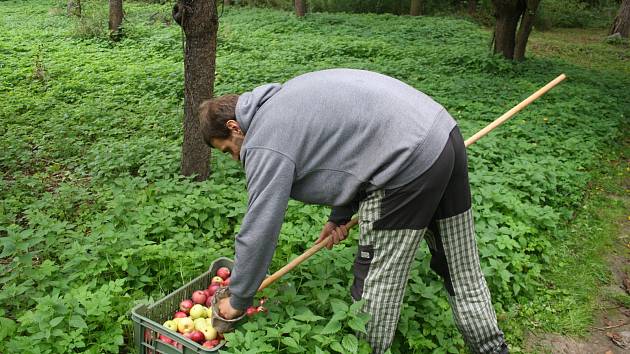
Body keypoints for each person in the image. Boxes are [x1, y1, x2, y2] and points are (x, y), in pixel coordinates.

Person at [197, 68, 508, 354]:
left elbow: (260, 227)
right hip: (441, 134)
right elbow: (349, 148)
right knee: (459, 264)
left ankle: (365, 349)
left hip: (404, 163)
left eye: (228, 150)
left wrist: (237, 300)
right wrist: (339, 216)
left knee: (375, 284)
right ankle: (492, 348)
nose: (236, 157)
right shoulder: (283, 101)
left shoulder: (264, 140)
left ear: (234, 127)